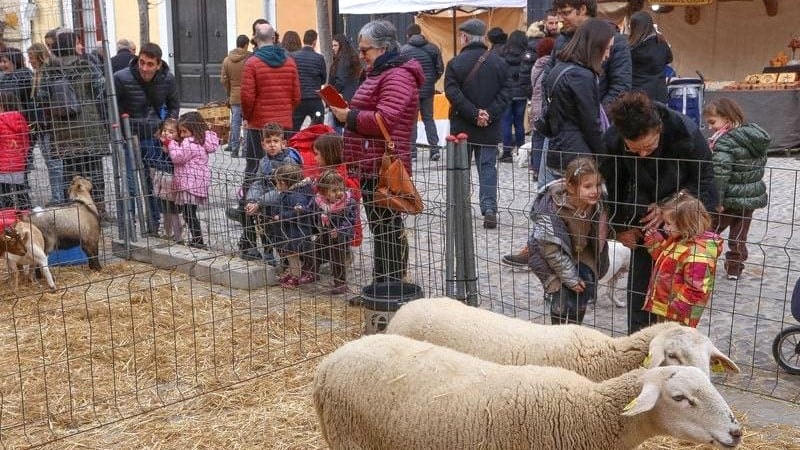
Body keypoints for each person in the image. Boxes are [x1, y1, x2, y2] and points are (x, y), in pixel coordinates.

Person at [601, 91, 718, 335]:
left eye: (649, 147)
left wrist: (670, 206)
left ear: (659, 129)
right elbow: (613, 185)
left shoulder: (685, 132)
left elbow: (705, 181)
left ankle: (673, 339)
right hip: (643, 218)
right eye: (634, 150)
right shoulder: (613, 139)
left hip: (682, 219)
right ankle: (638, 338)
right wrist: (620, 226)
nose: (643, 154)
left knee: (676, 286)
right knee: (641, 285)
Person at [330, 20, 423, 283]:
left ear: (383, 48)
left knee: (387, 226)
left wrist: (349, 116)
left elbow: (386, 119)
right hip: (371, 159)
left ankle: (391, 283)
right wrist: (348, 112)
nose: (361, 55)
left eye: (365, 50)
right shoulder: (380, 72)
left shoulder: (397, 75)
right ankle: (384, 281)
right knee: (381, 225)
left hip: (383, 162)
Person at [236, 21, 301, 258]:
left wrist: (249, 117)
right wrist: (284, 113)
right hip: (283, 124)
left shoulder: (252, 63)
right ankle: (281, 233)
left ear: (255, 39)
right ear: (274, 38)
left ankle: (249, 233)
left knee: (254, 172)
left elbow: (246, 97)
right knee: (284, 173)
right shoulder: (290, 62)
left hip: (258, 126)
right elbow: (296, 95)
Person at [444, 18, 511, 230]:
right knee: (488, 167)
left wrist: (473, 114)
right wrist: (488, 114)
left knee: (460, 167)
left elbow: (452, 93)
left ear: (464, 37)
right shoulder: (499, 62)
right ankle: (489, 209)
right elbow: (507, 92)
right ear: (483, 38)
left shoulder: (455, 63)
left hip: (463, 124)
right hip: (489, 125)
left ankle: (460, 208)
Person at [528, 157, 608, 324]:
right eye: (588, 186)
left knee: (584, 286)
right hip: (551, 255)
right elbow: (551, 250)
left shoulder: (598, 205)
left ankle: (574, 329)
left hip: (581, 251)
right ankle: (557, 331)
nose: (595, 191)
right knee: (561, 293)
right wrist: (570, 278)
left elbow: (601, 234)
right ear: (571, 187)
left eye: (598, 185)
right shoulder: (551, 209)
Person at [114, 42, 180, 234]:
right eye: (142, 62)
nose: (144, 68)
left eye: (150, 64)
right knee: (129, 183)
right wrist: (118, 132)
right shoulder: (121, 78)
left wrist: (167, 127)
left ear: (158, 64)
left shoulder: (167, 79)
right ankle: (128, 227)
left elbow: (174, 105)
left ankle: (153, 224)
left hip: (153, 136)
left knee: (154, 182)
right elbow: (110, 107)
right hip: (128, 137)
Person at [704, 98, 770, 281]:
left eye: (712, 122)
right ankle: (734, 269)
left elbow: (720, 173)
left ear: (727, 118)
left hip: (728, 199)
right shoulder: (754, 137)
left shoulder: (725, 142)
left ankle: (702, 262)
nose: (710, 127)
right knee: (739, 236)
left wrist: (717, 201)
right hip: (749, 198)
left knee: (709, 232)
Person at [540, 18, 614, 177]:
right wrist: (605, 157)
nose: (608, 55)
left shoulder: (560, 68)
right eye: (607, 48)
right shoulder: (581, 76)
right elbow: (591, 123)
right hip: (577, 155)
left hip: (559, 149)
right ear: (595, 47)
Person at [47, 31, 108, 219]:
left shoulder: (50, 69)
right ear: (71, 45)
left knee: (70, 171)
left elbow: (41, 96)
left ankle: (74, 210)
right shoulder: (85, 65)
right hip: (89, 126)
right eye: (78, 42)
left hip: (63, 128)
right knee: (94, 170)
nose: (81, 46)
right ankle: (98, 209)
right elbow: (101, 88)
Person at [642, 191, 722, 328]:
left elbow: (696, 289)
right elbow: (666, 262)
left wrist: (674, 307)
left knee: (674, 340)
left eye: (668, 224)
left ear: (685, 224)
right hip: (667, 308)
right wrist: (654, 241)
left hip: (679, 315)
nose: (664, 227)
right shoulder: (680, 241)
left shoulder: (698, 254)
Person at [550, 0, 631, 109]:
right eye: (559, 13)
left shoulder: (614, 41)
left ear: (583, 9)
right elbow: (548, 74)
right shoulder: (561, 39)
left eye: (566, 13)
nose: (560, 19)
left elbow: (620, 87)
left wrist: (597, 115)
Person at [242, 122, 303, 262]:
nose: (272, 145)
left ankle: (288, 259)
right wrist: (252, 200)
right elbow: (258, 183)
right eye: (268, 142)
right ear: (263, 145)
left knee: (282, 230)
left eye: (275, 141)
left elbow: (284, 189)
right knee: (261, 221)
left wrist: (259, 202)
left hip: (288, 200)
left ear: (283, 143)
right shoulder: (264, 161)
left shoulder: (288, 161)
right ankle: (267, 252)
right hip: (268, 200)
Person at [166, 112, 219, 249]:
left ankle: (198, 240)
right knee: (190, 212)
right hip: (198, 182)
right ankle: (196, 239)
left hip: (189, 183)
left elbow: (177, 158)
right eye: (180, 132)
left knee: (188, 213)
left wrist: (171, 143)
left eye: (184, 131)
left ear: (194, 129)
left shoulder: (189, 143)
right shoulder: (202, 140)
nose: (182, 135)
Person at [26, 43, 64, 204]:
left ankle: (58, 198)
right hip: (41, 125)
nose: (30, 61)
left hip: (49, 124)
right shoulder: (37, 74)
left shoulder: (48, 73)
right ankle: (57, 196)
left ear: (40, 57)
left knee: (54, 163)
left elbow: (46, 99)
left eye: (32, 58)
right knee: (50, 162)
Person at [400, 23, 444, 161]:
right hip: (428, 90)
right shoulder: (433, 48)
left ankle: (412, 152)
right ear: (420, 33)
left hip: (411, 90)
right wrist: (431, 81)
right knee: (429, 119)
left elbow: (400, 71)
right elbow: (440, 69)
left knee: (412, 121)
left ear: (408, 35)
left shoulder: (404, 50)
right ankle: (434, 150)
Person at [312, 132, 363, 248]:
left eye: (317, 154)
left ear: (328, 154)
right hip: (329, 225)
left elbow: (354, 195)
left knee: (343, 250)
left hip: (344, 226)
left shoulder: (342, 176)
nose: (315, 158)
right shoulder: (323, 172)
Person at [311, 169, 358, 295]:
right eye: (334, 190)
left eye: (341, 189)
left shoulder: (348, 202)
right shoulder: (319, 201)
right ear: (323, 192)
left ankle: (340, 283)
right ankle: (312, 272)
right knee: (315, 249)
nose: (339, 193)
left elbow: (350, 221)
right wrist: (301, 208)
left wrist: (340, 230)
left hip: (340, 235)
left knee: (337, 257)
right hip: (325, 232)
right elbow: (309, 210)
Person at [271, 163, 315, 288]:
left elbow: (299, 212)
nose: (276, 186)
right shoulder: (288, 193)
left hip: (296, 231)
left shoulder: (296, 195)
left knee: (293, 254)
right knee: (290, 254)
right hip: (288, 230)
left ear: (283, 183)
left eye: (277, 182)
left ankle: (296, 276)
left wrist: (281, 216)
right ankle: (292, 273)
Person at [499, 30, 530, 163]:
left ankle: (506, 152)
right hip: (521, 93)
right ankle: (521, 150)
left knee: (506, 122)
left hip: (507, 93)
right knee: (519, 123)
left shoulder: (503, 54)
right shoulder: (526, 55)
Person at [629, 11, 672, 103]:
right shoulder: (662, 44)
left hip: (639, 97)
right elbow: (669, 59)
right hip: (660, 94)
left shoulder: (633, 49)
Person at [528, 37, 555, 177]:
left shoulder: (536, 65)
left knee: (537, 138)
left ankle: (536, 169)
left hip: (535, 106)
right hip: (545, 106)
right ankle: (544, 170)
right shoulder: (551, 66)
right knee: (546, 139)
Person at [0, 91, 32, 210]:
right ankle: (26, 214)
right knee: (21, 192)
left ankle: (8, 217)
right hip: (19, 165)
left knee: (5, 196)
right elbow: (26, 142)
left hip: (3, 167)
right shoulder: (21, 118)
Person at [221, 34, 251, 157]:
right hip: (248, 95)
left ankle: (234, 149)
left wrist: (230, 91)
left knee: (235, 123)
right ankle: (246, 150)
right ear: (246, 45)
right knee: (247, 123)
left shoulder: (227, 60)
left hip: (234, 96)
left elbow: (224, 80)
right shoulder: (250, 58)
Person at [291, 29, 327, 132]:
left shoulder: (294, 56)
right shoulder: (319, 58)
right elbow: (323, 79)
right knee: (318, 130)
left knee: (294, 130)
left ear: (304, 40)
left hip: (299, 99)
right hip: (315, 99)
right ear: (315, 41)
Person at [327, 34, 361, 134]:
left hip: (340, 97)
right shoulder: (352, 58)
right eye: (332, 45)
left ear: (341, 45)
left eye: (335, 45)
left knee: (335, 129)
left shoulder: (343, 59)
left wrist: (330, 95)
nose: (333, 48)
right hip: (350, 97)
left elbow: (340, 80)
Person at [155, 118, 182, 242]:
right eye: (165, 130)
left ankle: (178, 235)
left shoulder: (176, 145)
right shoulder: (160, 143)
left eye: (171, 132)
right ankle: (167, 233)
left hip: (172, 179)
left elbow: (175, 158)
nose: (166, 133)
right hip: (163, 177)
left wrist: (168, 145)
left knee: (174, 209)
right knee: (165, 209)